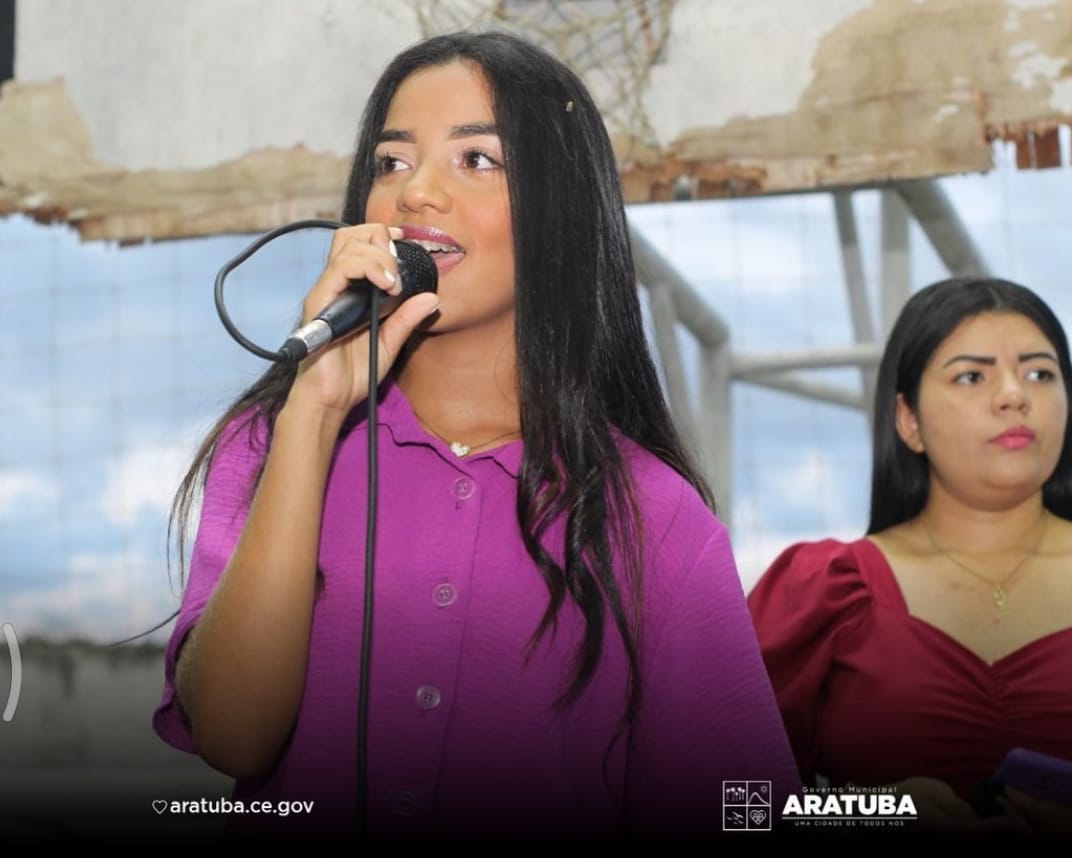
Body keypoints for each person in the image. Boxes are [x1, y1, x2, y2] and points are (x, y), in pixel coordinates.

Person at [153, 30, 800, 839]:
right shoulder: (273, 438)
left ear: (561, 212)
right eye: (392, 162)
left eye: (477, 159)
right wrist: (311, 412)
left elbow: (745, 808)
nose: (416, 193)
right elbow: (231, 735)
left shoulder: (655, 515)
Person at [748, 277, 1072, 836]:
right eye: (972, 376)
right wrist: (872, 809)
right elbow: (724, 807)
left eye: (1040, 374)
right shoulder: (821, 590)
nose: (1014, 395)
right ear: (909, 420)